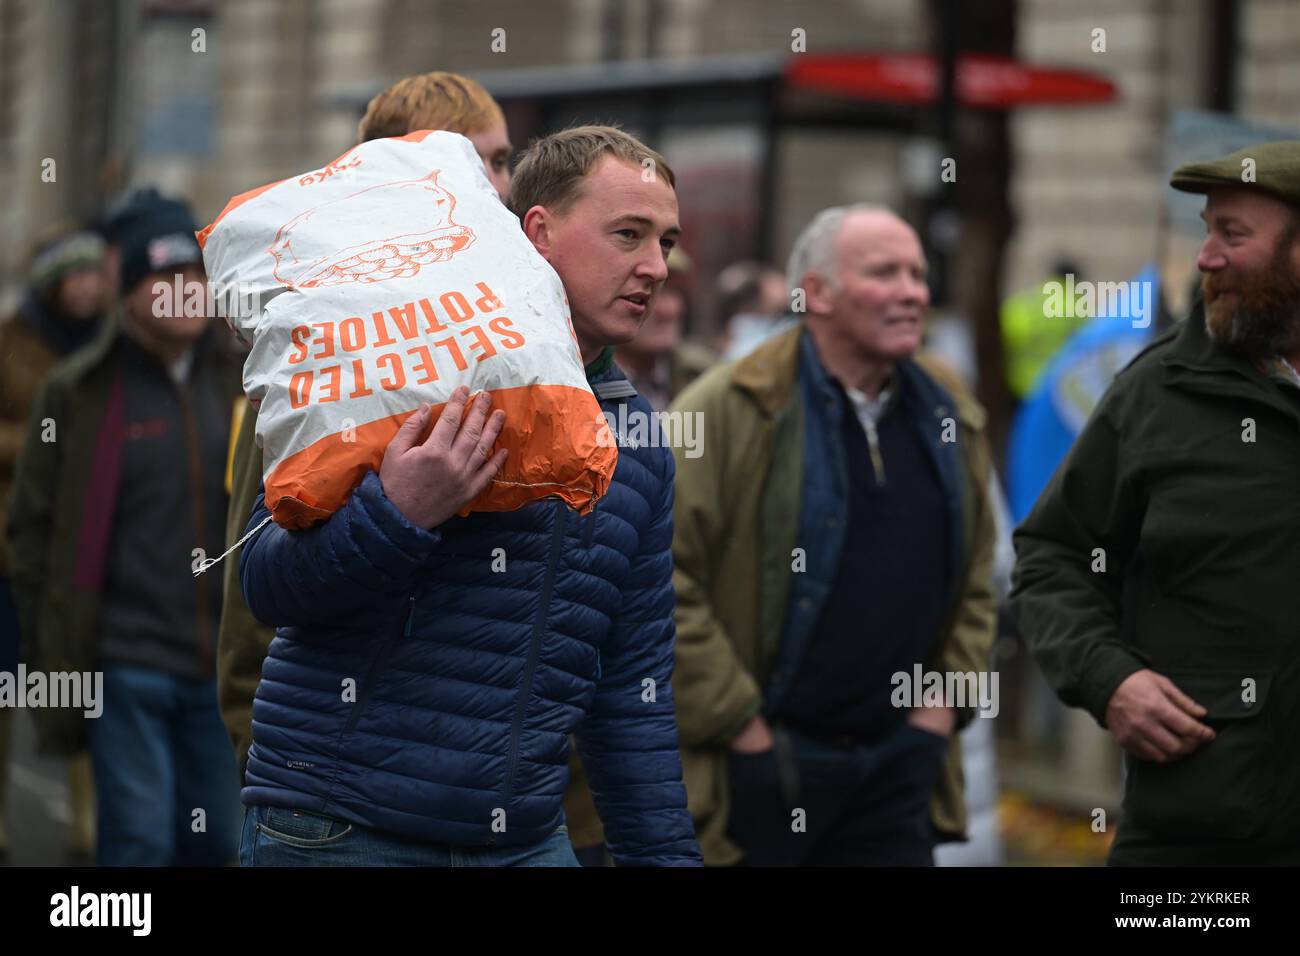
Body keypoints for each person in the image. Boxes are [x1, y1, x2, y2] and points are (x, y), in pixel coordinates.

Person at [235, 125, 701, 867]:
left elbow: (631, 697)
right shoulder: (404, 368)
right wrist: (397, 515)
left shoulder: (639, 441)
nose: (655, 267)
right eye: (628, 235)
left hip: (520, 841)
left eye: (666, 243)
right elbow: (266, 585)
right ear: (540, 232)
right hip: (342, 829)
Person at [668, 204, 998, 865]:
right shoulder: (727, 405)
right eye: (884, 273)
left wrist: (939, 711)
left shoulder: (946, 405)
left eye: (916, 272)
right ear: (815, 292)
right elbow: (662, 582)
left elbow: (979, 574)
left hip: (900, 767)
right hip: (767, 767)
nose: (912, 291)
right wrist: (744, 729)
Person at [218, 70, 514, 783]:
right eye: (482, 164)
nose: (501, 186)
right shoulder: (321, 343)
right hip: (332, 782)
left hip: (492, 781)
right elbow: (252, 593)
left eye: (504, 161)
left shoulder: (515, 327)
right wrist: (263, 763)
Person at [1011, 141, 1300, 866]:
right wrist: (1110, 680)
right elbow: (1052, 557)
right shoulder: (1156, 392)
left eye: (1233, 235)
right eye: (1206, 230)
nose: (1204, 257)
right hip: (1198, 841)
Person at [7, 193, 245, 865]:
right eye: (165, 280)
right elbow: (34, 529)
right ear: (130, 292)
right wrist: (55, 641)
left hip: (219, 672)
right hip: (126, 666)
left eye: (194, 277)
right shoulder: (80, 391)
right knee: (136, 846)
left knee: (217, 845)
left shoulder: (241, 381)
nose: (185, 295)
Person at [0, 225, 108, 862]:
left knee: (82, 679)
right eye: (75, 275)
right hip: (13, 542)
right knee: (7, 681)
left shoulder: (114, 345)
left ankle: (86, 818)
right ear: (50, 282)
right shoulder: (11, 343)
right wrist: (43, 440)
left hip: (88, 541)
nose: (88, 286)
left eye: (95, 274)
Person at [613, 246, 715, 413]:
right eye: (646, 295)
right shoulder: (578, 379)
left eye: (675, 293)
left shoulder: (704, 374)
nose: (670, 310)